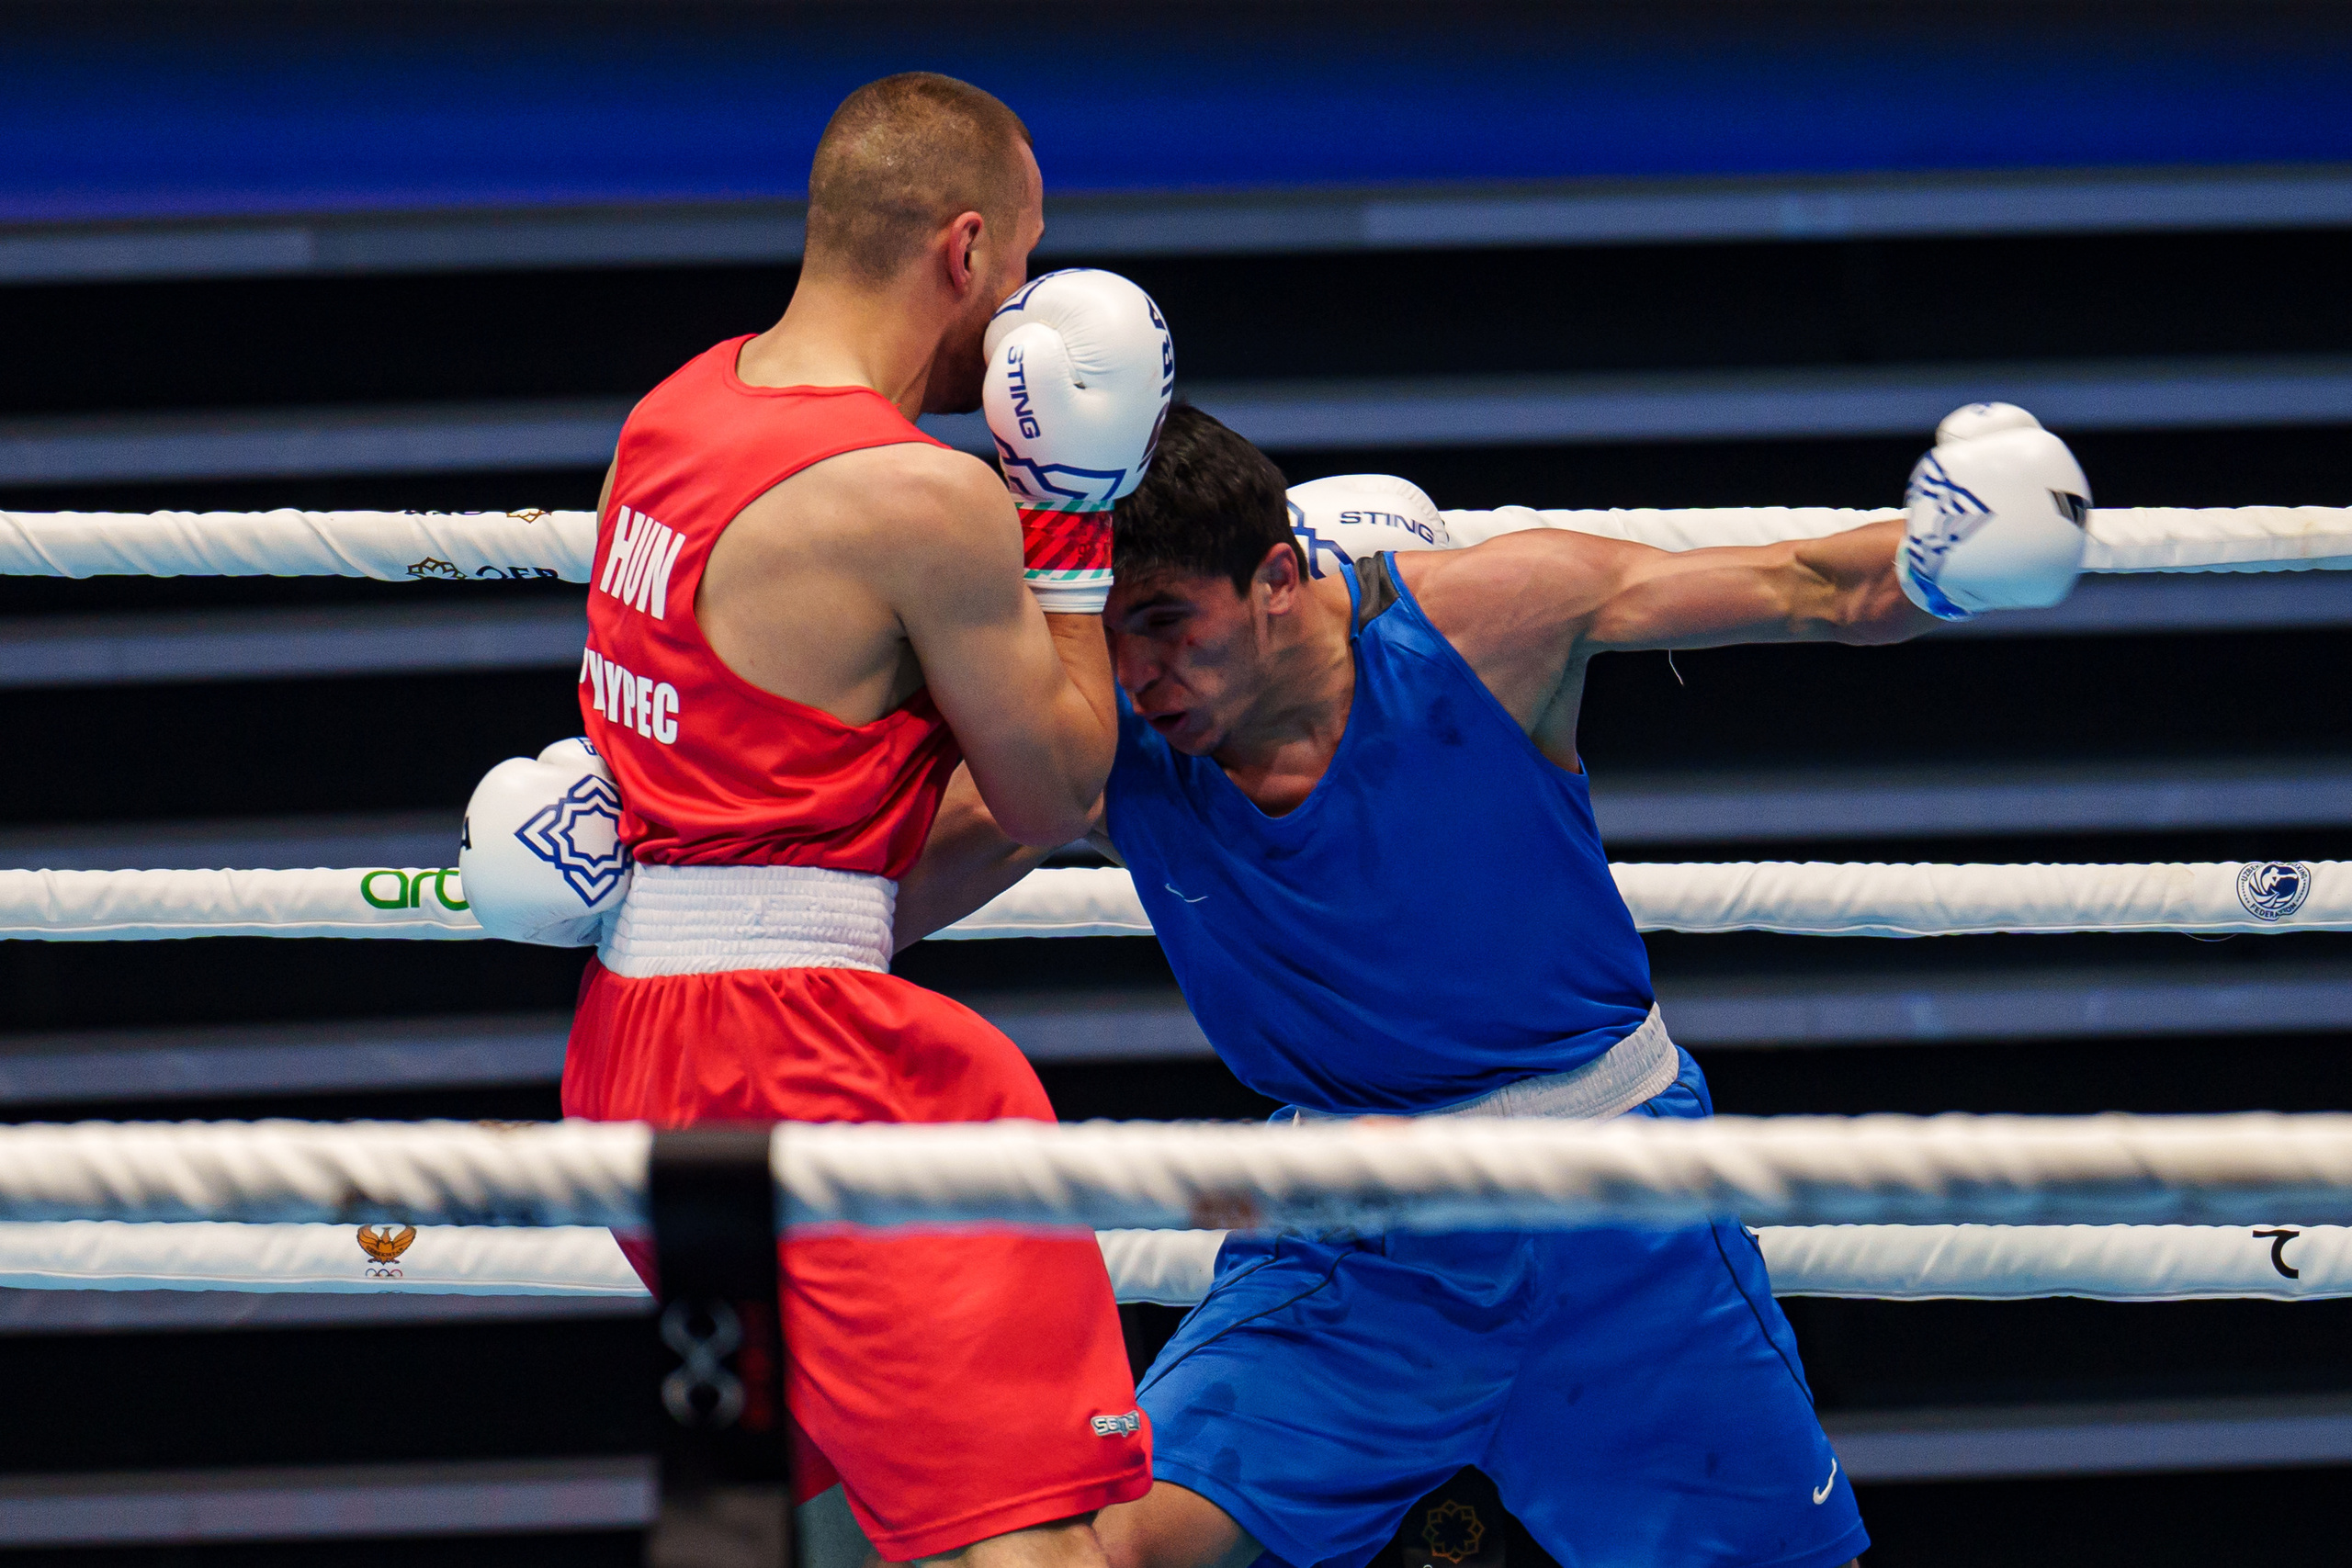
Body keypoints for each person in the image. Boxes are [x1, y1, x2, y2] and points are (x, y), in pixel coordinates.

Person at [901, 400, 2091, 1568]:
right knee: (1100, 1552)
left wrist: (1946, 564)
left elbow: (1808, 587)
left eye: (1165, 622)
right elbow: (877, 904)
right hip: (1355, 1251)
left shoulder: (1489, 625)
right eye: (1109, 633)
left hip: (1614, 1209)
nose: (1140, 673)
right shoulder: (1103, 747)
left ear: (1275, 579)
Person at [540, 73, 1171, 1568]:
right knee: (1028, 1542)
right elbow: (1059, 791)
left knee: (782, 1525)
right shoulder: (914, 499)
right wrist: (1070, 511)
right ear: (964, 252)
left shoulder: (676, 410)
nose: (1024, 309)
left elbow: (799, 830)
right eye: (1022, 264)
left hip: (639, 1049)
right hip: (807, 1071)